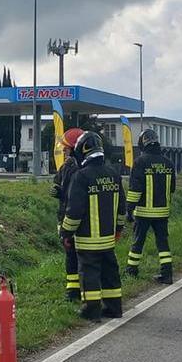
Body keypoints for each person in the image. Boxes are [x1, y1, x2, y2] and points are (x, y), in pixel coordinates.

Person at [60, 132, 126, 320]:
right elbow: (122, 207)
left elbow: (74, 211)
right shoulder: (113, 173)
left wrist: (66, 233)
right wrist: (118, 230)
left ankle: (92, 309)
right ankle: (114, 308)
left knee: (88, 273)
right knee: (110, 273)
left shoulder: (81, 176)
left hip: (87, 239)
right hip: (108, 238)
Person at [125, 128, 177, 284]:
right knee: (163, 243)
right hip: (162, 212)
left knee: (138, 242)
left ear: (143, 144)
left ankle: (131, 271)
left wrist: (129, 210)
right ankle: (167, 274)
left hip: (143, 212)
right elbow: (172, 188)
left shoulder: (140, 162)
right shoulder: (168, 162)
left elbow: (135, 189)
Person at [50, 127, 85, 301]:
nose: (64, 152)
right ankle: (73, 290)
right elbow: (58, 184)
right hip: (66, 216)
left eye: (66, 149)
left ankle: (77, 290)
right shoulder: (66, 167)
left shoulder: (81, 169)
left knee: (76, 255)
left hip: (73, 218)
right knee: (70, 254)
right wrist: (56, 189)